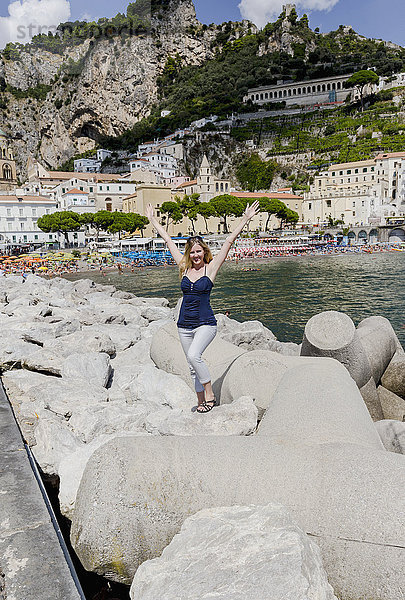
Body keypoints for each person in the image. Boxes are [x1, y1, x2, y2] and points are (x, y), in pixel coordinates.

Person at [145, 200, 259, 414]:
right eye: (193, 252)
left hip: (206, 323)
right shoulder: (183, 267)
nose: (196, 255)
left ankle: (209, 394)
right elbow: (168, 240)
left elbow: (227, 242)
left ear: (204, 251)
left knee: (194, 356)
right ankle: (201, 401)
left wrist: (245, 219)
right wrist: (153, 220)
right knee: (191, 366)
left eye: (199, 251)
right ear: (189, 253)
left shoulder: (211, 268)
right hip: (184, 325)